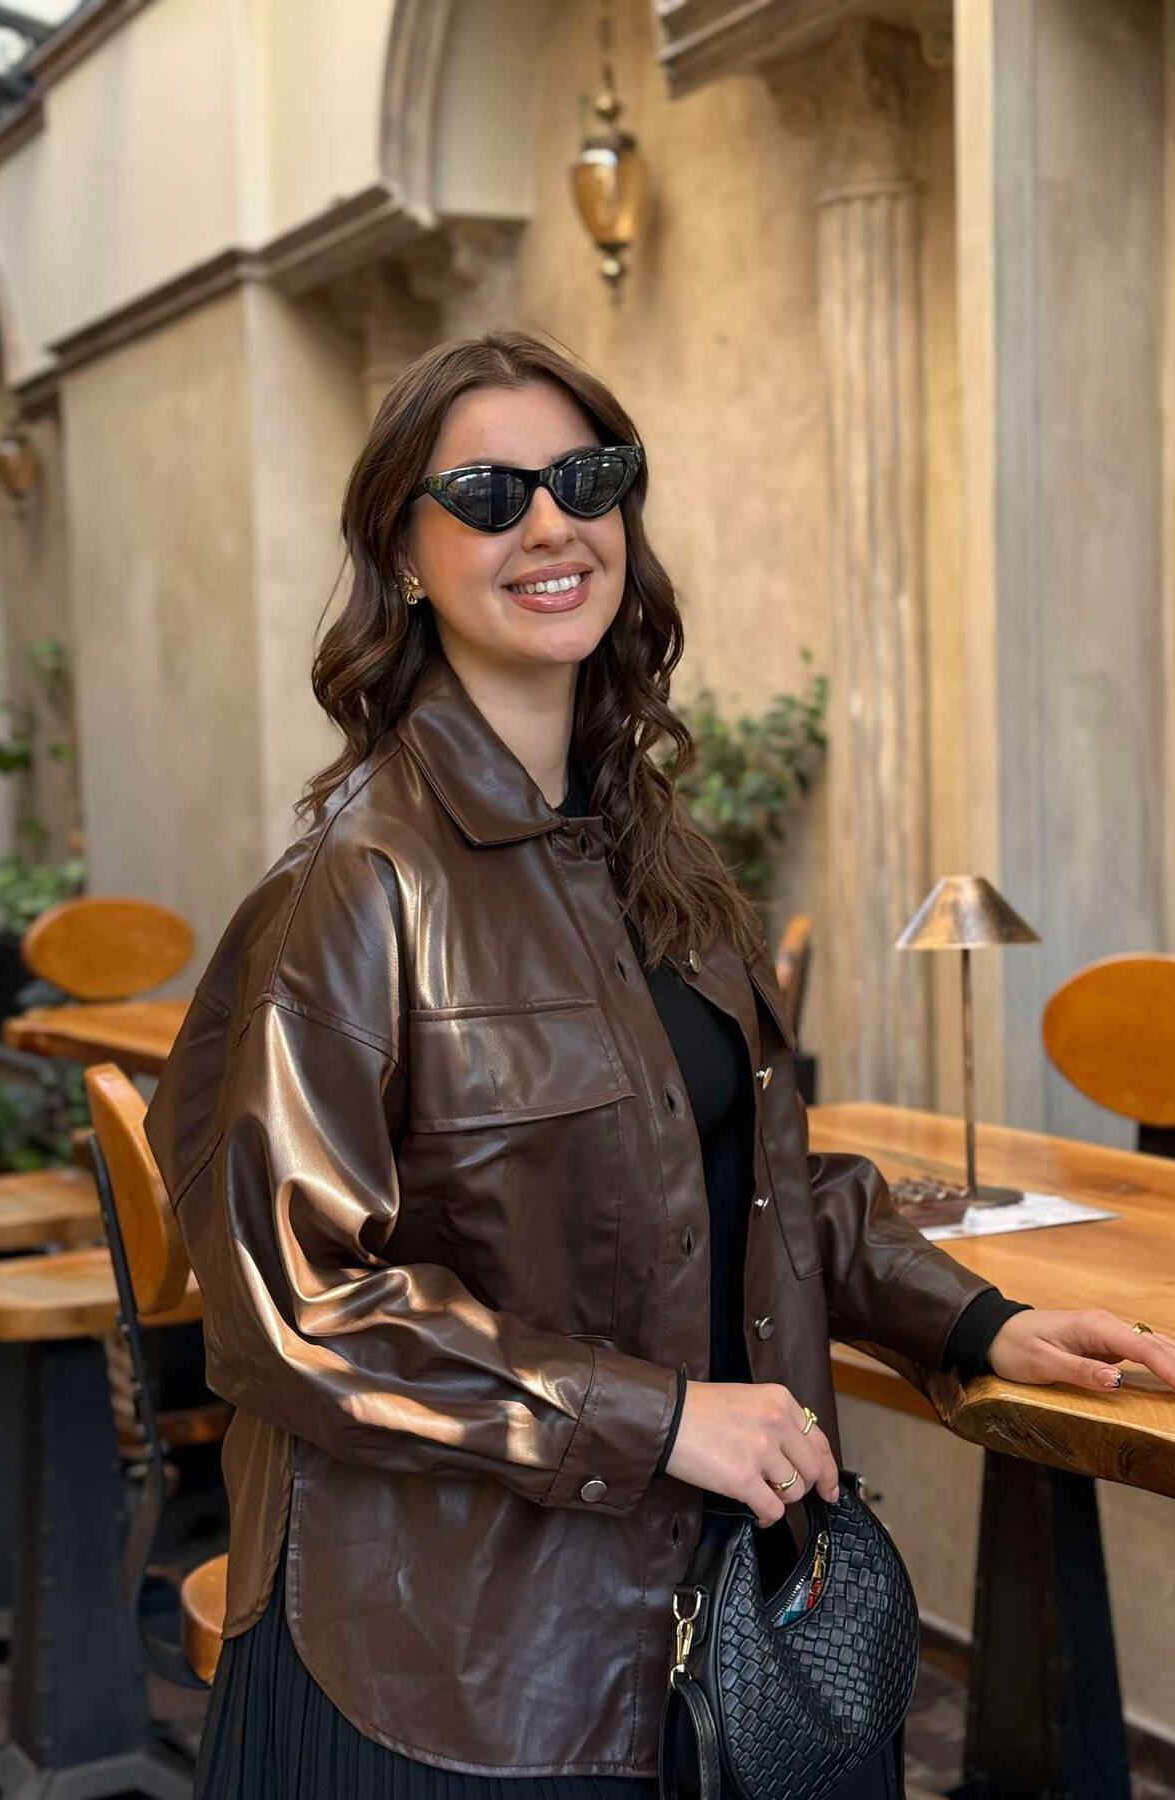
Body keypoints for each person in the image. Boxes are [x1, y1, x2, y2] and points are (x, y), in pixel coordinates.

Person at [143, 329, 1175, 1800]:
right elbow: (293, 1308)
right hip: (455, 1674)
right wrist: (662, 1416)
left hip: (704, 1622)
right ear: (403, 555)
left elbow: (752, 1185)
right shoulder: (357, 886)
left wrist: (978, 1320)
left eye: (587, 479)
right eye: (488, 493)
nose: (550, 523)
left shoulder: (656, 857)